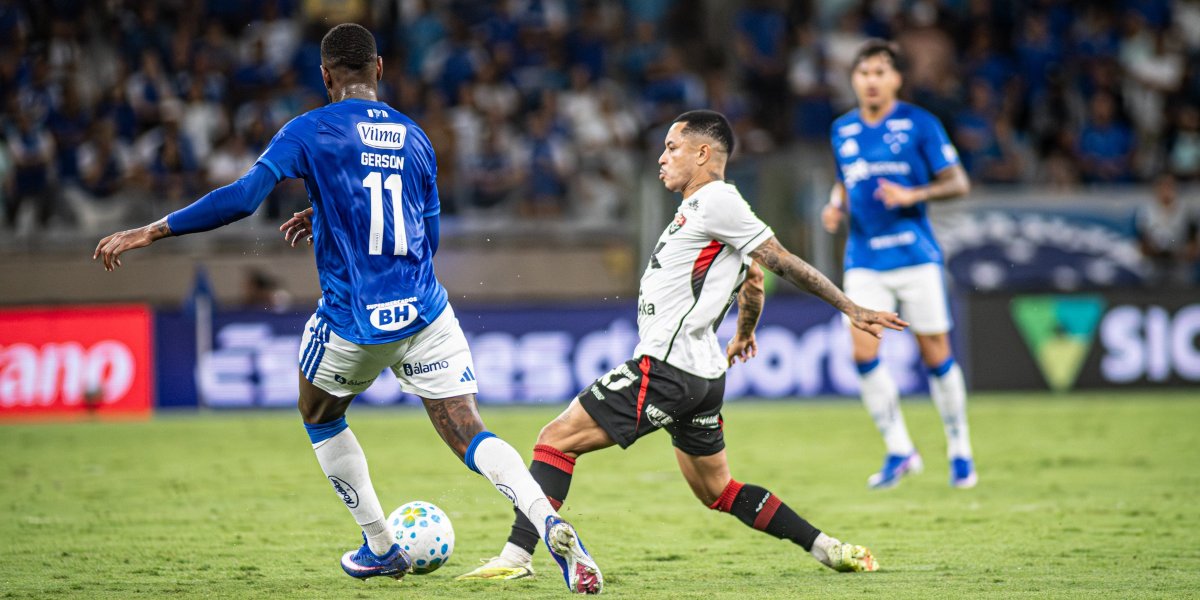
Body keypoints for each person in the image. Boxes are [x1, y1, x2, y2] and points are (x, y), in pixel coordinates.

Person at [93, 23, 602, 594]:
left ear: (325, 75)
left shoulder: (309, 130)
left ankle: (382, 547)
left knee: (320, 414)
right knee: (468, 428)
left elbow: (243, 198)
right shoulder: (416, 138)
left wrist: (155, 229)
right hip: (426, 313)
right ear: (380, 69)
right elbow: (424, 238)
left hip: (356, 319)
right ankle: (549, 520)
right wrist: (334, 212)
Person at [448, 110, 907, 582]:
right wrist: (745, 333)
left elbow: (779, 261)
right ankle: (825, 546)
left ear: (704, 154)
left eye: (673, 147)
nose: (662, 157)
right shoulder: (702, 211)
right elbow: (753, 278)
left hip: (666, 367)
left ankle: (516, 557)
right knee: (718, 491)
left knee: (554, 442)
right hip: (702, 377)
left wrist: (849, 308)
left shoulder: (718, 202)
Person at [821, 39, 977, 490]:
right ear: (853, 78)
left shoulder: (919, 123)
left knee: (936, 356)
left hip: (915, 256)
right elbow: (844, 178)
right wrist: (836, 204)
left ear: (896, 79)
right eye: (864, 72)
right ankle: (899, 449)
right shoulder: (842, 129)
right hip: (865, 259)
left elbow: (958, 182)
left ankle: (960, 450)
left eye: (880, 72)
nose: (871, 80)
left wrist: (914, 194)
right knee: (862, 352)